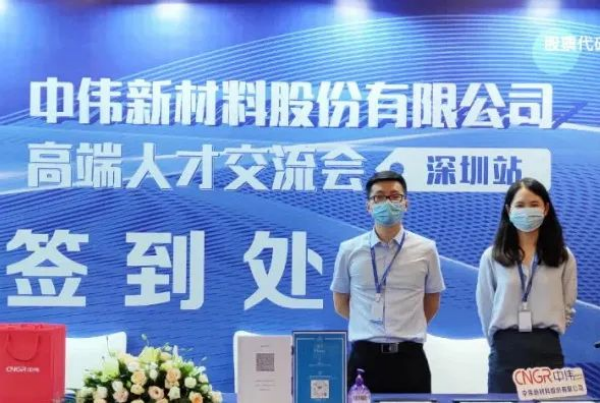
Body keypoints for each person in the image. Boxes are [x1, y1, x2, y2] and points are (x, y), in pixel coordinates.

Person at [330, 170, 445, 393]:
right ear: (369, 206)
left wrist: (404, 324)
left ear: (406, 203)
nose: (387, 203)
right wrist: (368, 322)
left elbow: (432, 301)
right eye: (379, 197)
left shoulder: (426, 249)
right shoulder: (349, 249)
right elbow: (340, 302)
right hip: (364, 358)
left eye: (394, 196)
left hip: (409, 358)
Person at [476, 177, 577, 393]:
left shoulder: (563, 256)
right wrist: (501, 341)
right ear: (508, 210)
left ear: (545, 209)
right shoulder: (492, 257)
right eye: (520, 205)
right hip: (506, 350)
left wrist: (547, 331)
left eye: (534, 204)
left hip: (547, 349)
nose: (526, 211)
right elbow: (486, 307)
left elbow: (568, 305)